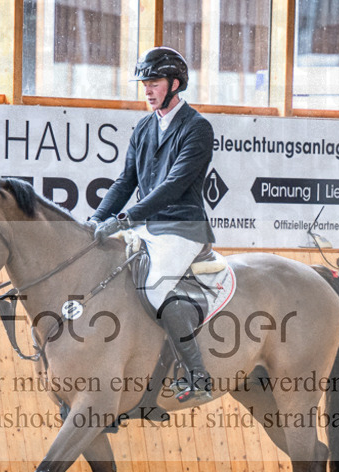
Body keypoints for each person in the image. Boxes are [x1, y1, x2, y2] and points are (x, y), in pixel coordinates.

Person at [88, 47, 216, 404]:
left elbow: (173, 185)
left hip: (181, 229)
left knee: (156, 288)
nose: (147, 89)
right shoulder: (144, 127)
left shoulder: (197, 128)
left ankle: (198, 375)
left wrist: (125, 219)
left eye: (154, 82)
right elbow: (124, 181)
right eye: (145, 82)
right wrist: (96, 219)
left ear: (175, 84)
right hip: (146, 227)